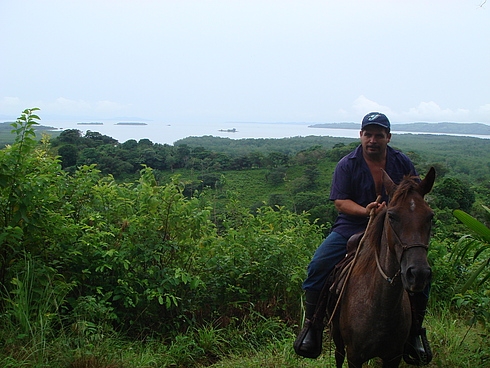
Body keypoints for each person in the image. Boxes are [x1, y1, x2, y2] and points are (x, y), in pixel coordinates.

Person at [294, 112, 432, 365]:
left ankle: (414, 333)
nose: (372, 140)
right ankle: (312, 328)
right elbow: (340, 202)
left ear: (388, 137)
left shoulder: (402, 162)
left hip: (393, 226)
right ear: (361, 135)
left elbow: (415, 196)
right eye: (368, 134)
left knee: (420, 270)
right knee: (318, 267)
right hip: (353, 224)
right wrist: (365, 210)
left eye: (378, 135)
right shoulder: (347, 164)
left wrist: (396, 213)